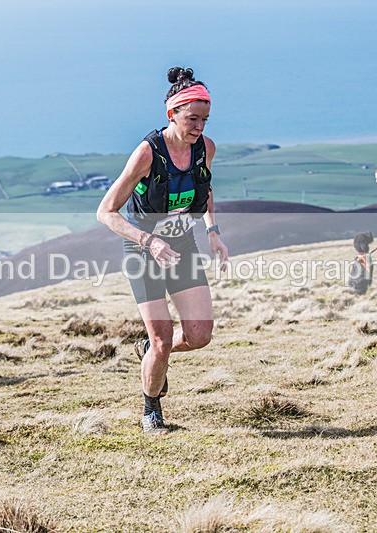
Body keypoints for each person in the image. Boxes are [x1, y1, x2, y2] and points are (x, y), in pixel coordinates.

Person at [97, 67, 229, 434]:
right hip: (144, 252)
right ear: (171, 114)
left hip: (183, 246)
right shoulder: (147, 154)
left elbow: (205, 187)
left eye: (204, 119)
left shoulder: (206, 148)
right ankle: (151, 408)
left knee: (200, 335)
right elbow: (105, 211)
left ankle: (150, 352)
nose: (199, 127)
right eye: (192, 119)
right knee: (163, 339)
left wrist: (212, 230)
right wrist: (149, 241)